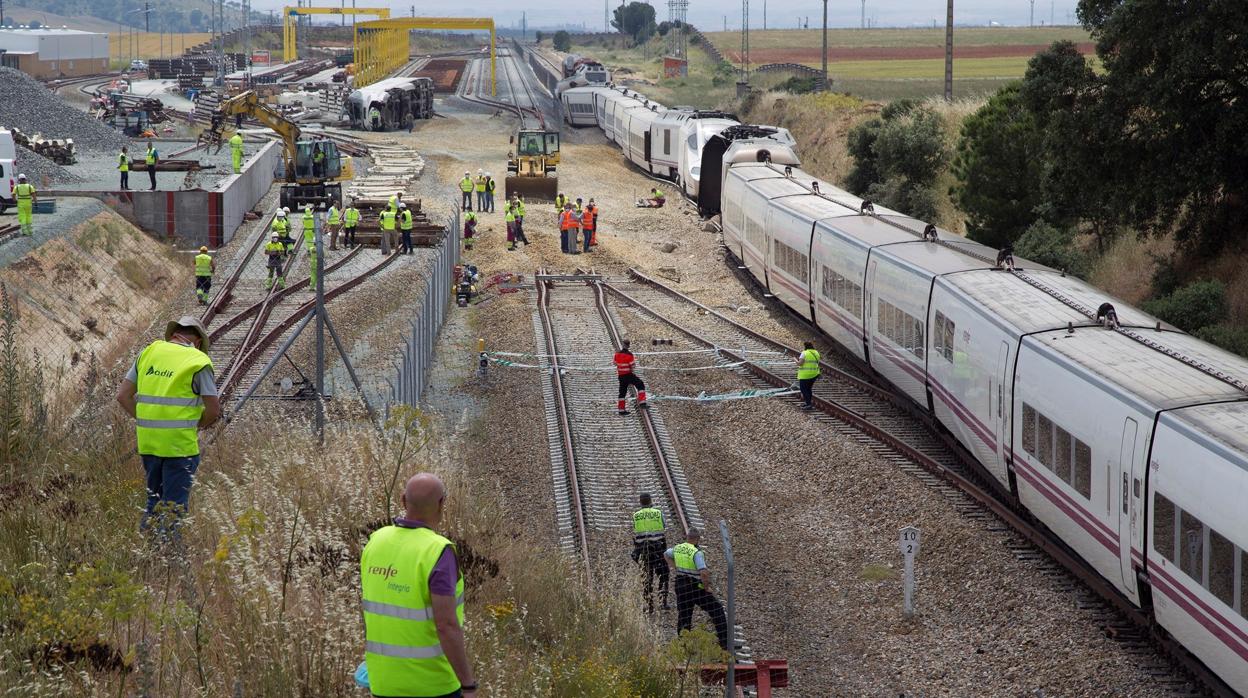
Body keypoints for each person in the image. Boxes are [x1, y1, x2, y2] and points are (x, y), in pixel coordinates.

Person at [360, 473, 478, 698]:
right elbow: (446, 626)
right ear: (442, 503)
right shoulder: (438, 552)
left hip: (383, 682)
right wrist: (468, 685)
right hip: (433, 686)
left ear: (403, 500)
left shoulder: (375, 541)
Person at [115, 316, 220, 537]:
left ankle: (148, 555)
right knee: (173, 509)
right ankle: (170, 561)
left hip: (149, 444)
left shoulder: (148, 353)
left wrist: (147, 421)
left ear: (174, 334)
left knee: (154, 503)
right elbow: (213, 411)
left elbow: (123, 396)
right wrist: (196, 425)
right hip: (179, 447)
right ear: (198, 342)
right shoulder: (198, 362)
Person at [665, 528, 729, 651]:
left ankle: (683, 645)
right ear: (697, 539)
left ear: (687, 537)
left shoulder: (678, 548)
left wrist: (674, 566)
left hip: (680, 584)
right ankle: (724, 642)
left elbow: (666, 554)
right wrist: (707, 587)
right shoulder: (696, 552)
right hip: (694, 587)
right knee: (717, 610)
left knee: (684, 614)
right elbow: (703, 573)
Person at [631, 492, 670, 614]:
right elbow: (664, 526)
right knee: (664, 574)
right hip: (658, 549)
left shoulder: (636, 515)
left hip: (643, 551)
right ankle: (662, 602)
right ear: (651, 501)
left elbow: (635, 531)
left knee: (647, 577)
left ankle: (649, 604)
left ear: (640, 502)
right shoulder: (658, 513)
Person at [614, 339, 647, 415]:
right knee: (640, 384)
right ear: (628, 346)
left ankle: (621, 410)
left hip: (621, 376)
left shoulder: (617, 354)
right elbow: (632, 365)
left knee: (622, 393)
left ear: (623, 345)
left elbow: (615, 363)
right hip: (628, 375)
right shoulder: (630, 355)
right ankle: (642, 403)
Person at [794, 340, 820, 410]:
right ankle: (808, 402)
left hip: (805, 375)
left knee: (803, 389)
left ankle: (808, 404)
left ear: (805, 346)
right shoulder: (816, 353)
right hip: (814, 374)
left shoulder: (804, 353)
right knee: (808, 389)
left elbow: (800, 363)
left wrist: (795, 360)